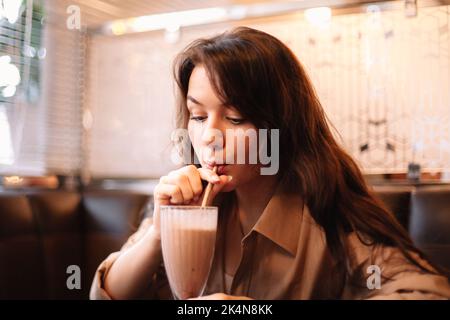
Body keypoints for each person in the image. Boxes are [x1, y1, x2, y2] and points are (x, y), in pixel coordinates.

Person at [90, 27, 450, 300]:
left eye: (235, 118)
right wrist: (158, 231)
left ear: (280, 125)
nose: (210, 137)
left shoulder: (328, 212)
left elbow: (427, 292)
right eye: (197, 116)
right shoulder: (187, 200)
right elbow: (105, 293)